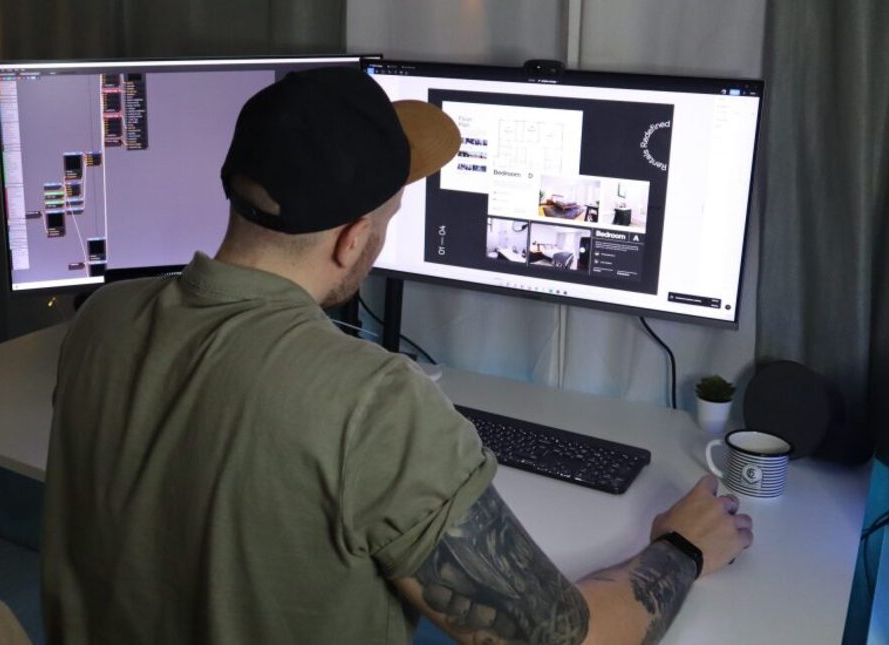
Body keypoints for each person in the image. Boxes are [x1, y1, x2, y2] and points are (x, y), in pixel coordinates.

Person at [41, 67, 753, 645]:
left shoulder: (100, 319)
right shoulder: (372, 402)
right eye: (390, 219)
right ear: (353, 240)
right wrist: (680, 548)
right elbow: (569, 641)